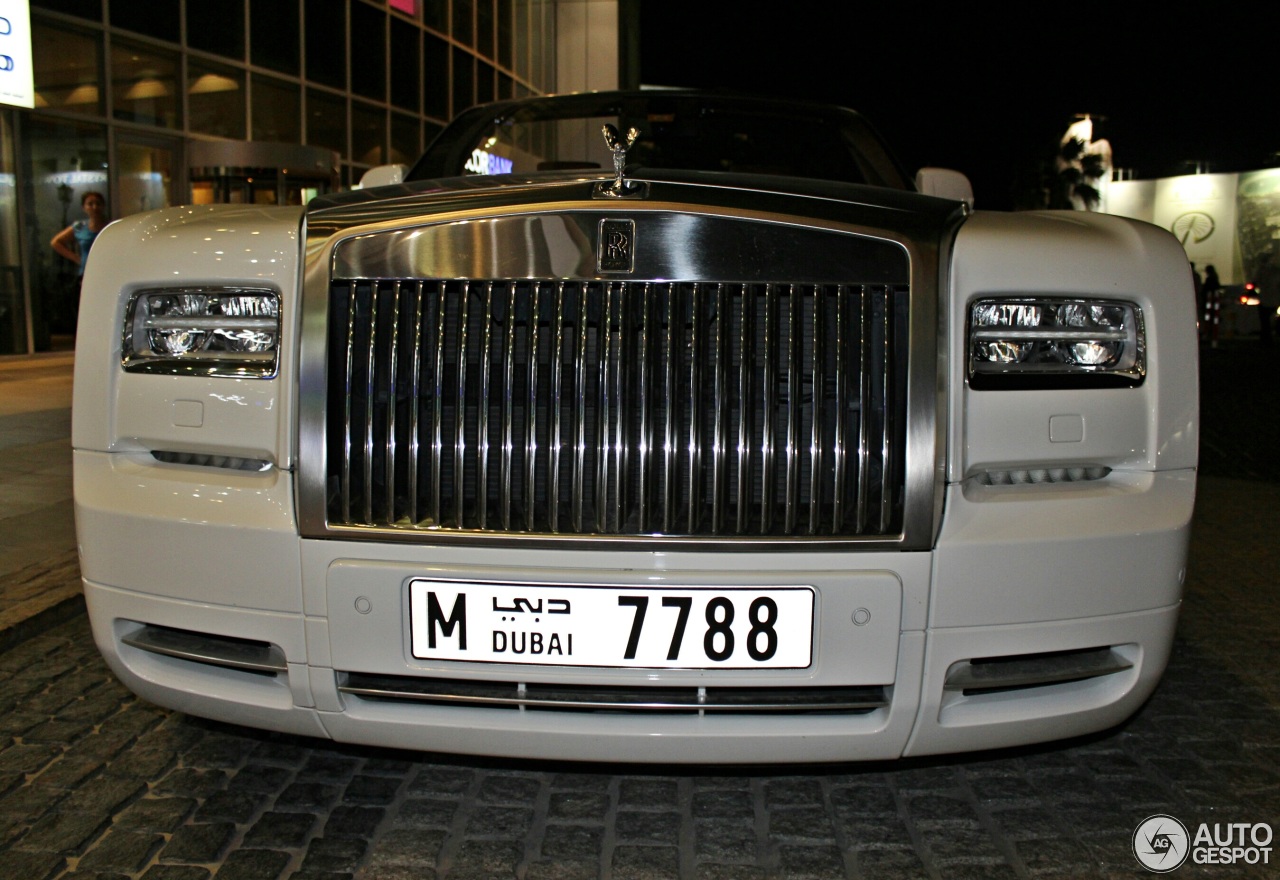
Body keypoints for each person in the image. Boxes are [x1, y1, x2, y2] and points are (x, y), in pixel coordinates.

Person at [51, 190, 108, 278]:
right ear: (84, 208)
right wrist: (76, 258)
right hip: (86, 273)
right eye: (90, 204)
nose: (95, 207)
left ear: (103, 206)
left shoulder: (111, 226)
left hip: (107, 270)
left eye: (98, 203)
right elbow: (55, 242)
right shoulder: (80, 227)